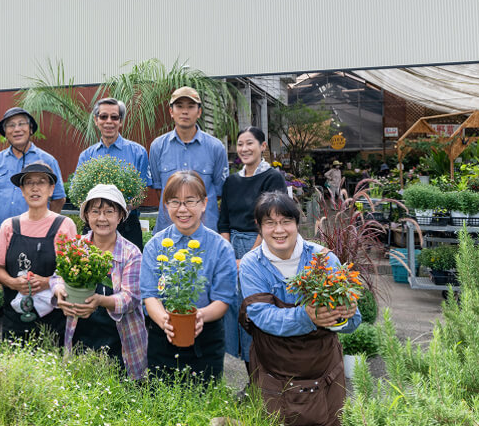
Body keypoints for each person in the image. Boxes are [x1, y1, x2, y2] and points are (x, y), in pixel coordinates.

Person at [239, 191, 361, 426]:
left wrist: (343, 316)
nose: (279, 230)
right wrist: (308, 315)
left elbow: (353, 320)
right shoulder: (252, 265)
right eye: (270, 223)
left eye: (286, 221)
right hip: (273, 370)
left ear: (297, 223)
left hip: (324, 370)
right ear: (259, 226)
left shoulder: (324, 259)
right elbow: (262, 316)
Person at [140, 170, 236, 382]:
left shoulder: (220, 247)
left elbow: (223, 299)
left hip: (207, 336)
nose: (182, 209)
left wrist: (200, 316)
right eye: (175, 202)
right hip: (163, 335)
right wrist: (164, 320)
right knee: (162, 400)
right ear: (166, 206)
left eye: (190, 201)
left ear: (204, 203)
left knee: (204, 403)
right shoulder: (155, 246)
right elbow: (149, 295)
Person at [52, 184, 147, 380]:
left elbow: (131, 299)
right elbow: (56, 277)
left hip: (120, 342)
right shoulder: (76, 246)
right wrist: (59, 290)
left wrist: (100, 301)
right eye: (95, 211)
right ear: (86, 215)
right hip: (81, 336)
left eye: (109, 212)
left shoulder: (131, 253)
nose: (102, 218)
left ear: (120, 216)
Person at [218, 127, 287, 365]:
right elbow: (224, 220)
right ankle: (233, 362)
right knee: (228, 303)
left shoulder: (273, 177)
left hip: (260, 246)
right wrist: (228, 254)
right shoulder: (231, 181)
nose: (245, 149)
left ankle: (257, 370)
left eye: (250, 143)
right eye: (240, 144)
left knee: (254, 304)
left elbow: (271, 220)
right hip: (231, 246)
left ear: (263, 146)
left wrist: (247, 256)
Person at [0, 163, 77, 344]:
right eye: (29, 183)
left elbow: (72, 270)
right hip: (14, 317)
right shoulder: (9, 226)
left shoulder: (64, 225)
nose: (35, 188)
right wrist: (13, 283)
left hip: (53, 319)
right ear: (22, 190)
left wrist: (47, 282)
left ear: (51, 189)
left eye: (42, 182)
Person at [75, 97, 152, 250]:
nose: (109, 121)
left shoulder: (138, 152)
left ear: (120, 121)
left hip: (128, 225)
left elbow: (143, 191)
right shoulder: (87, 156)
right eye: (103, 117)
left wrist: (123, 209)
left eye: (114, 117)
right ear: (96, 121)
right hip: (95, 225)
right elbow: (79, 193)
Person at [149, 87, 228, 233]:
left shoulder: (215, 147)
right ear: (171, 112)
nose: (185, 111)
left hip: (205, 230)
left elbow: (218, 191)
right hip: (168, 231)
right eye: (179, 106)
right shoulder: (157, 146)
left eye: (191, 107)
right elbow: (160, 189)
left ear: (199, 112)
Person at [0, 107, 66, 239]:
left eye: (21, 124)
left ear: (31, 129)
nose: (17, 129)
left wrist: (47, 226)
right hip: (0, 234)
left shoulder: (47, 160)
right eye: (11, 125)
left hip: (36, 234)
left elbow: (59, 198)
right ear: (5, 133)